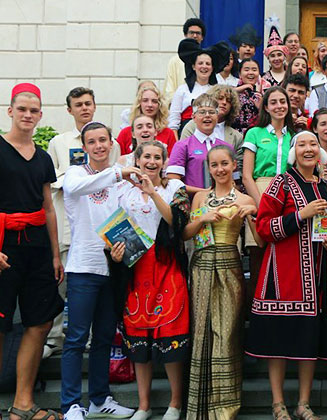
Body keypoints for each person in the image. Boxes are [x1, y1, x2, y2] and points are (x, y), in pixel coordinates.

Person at [245, 131, 327, 420]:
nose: (308, 149)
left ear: (320, 152)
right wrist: (301, 215)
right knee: (279, 341)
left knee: (309, 340)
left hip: (318, 275)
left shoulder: (326, 188)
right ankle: (278, 403)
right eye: (302, 144)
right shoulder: (280, 183)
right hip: (283, 275)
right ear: (293, 152)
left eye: (313, 144)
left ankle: (303, 403)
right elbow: (263, 227)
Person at [61, 122, 138, 420]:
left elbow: (125, 219)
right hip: (83, 267)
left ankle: (99, 399)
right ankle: (70, 405)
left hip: (111, 268)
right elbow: (75, 189)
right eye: (92, 142)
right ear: (84, 147)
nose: (98, 146)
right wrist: (120, 173)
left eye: (103, 140)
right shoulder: (76, 173)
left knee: (104, 337)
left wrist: (122, 250)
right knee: (76, 338)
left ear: (111, 143)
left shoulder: (120, 178)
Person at [112, 140, 191, 420]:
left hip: (168, 266)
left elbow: (178, 224)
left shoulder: (175, 188)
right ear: (137, 159)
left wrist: (153, 193)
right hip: (135, 268)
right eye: (147, 156)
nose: (152, 162)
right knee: (138, 337)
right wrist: (115, 252)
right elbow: (114, 226)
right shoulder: (122, 190)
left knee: (170, 332)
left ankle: (175, 403)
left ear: (165, 161)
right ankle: (144, 405)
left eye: (158, 157)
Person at [0, 83, 64, 420]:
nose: (28, 115)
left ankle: (22, 405)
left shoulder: (42, 158)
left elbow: (48, 207)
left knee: (40, 322)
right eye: (22, 109)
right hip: (3, 246)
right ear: (10, 111)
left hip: (37, 247)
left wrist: (55, 255)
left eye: (34, 110)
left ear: (40, 115)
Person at [45, 87, 121, 359]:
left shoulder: (112, 143)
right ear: (70, 110)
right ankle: (55, 338)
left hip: (99, 225)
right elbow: (51, 179)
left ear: (95, 106)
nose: (84, 108)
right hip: (69, 221)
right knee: (62, 284)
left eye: (88, 103)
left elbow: (114, 178)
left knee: (95, 293)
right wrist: (71, 178)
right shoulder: (59, 142)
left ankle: (89, 338)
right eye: (78, 104)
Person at [183, 145, 256, 420]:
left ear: (234, 165)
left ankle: (224, 409)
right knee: (201, 332)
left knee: (226, 334)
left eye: (224, 163)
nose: (220, 169)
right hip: (201, 264)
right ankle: (199, 407)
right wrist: (202, 218)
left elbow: (259, 237)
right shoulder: (200, 197)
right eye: (214, 165)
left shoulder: (245, 198)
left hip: (229, 264)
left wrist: (249, 213)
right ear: (209, 169)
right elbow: (186, 234)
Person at [241, 87, 295, 311]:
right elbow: (246, 175)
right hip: (259, 191)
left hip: (288, 195)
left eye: (283, 101)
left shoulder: (294, 136)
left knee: (284, 257)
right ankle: (256, 314)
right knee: (258, 257)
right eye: (274, 102)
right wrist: (260, 203)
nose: (279, 106)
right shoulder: (255, 133)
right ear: (266, 107)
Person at [167, 94, 234, 195]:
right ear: (193, 117)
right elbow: (173, 182)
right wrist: (205, 192)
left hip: (223, 201)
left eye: (212, 112)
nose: (207, 115)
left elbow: (234, 181)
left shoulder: (227, 147)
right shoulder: (182, 146)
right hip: (193, 201)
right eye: (202, 112)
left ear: (217, 116)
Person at [170, 39, 228, 135]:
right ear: (193, 66)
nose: (204, 67)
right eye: (200, 63)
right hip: (187, 135)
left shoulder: (218, 91)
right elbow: (173, 121)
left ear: (212, 68)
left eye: (208, 64)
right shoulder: (182, 90)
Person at [180, 84, 244, 159]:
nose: (224, 102)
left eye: (229, 101)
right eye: (220, 98)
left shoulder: (236, 137)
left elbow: (238, 163)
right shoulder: (192, 126)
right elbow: (182, 154)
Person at [118, 83, 177, 155]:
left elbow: (173, 159)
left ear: (160, 105)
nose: (150, 105)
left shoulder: (168, 133)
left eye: (154, 101)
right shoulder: (125, 133)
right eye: (145, 100)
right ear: (139, 103)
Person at [163, 18, 205, 98]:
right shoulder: (175, 60)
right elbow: (169, 89)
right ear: (185, 35)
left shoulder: (206, 60)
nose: (195, 36)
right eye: (191, 33)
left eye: (198, 33)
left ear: (202, 37)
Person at [232, 58, 265, 135]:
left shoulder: (261, 96)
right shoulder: (231, 92)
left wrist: (261, 108)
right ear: (240, 74)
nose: (250, 73)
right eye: (246, 70)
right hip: (235, 135)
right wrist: (241, 88)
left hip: (255, 135)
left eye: (254, 70)